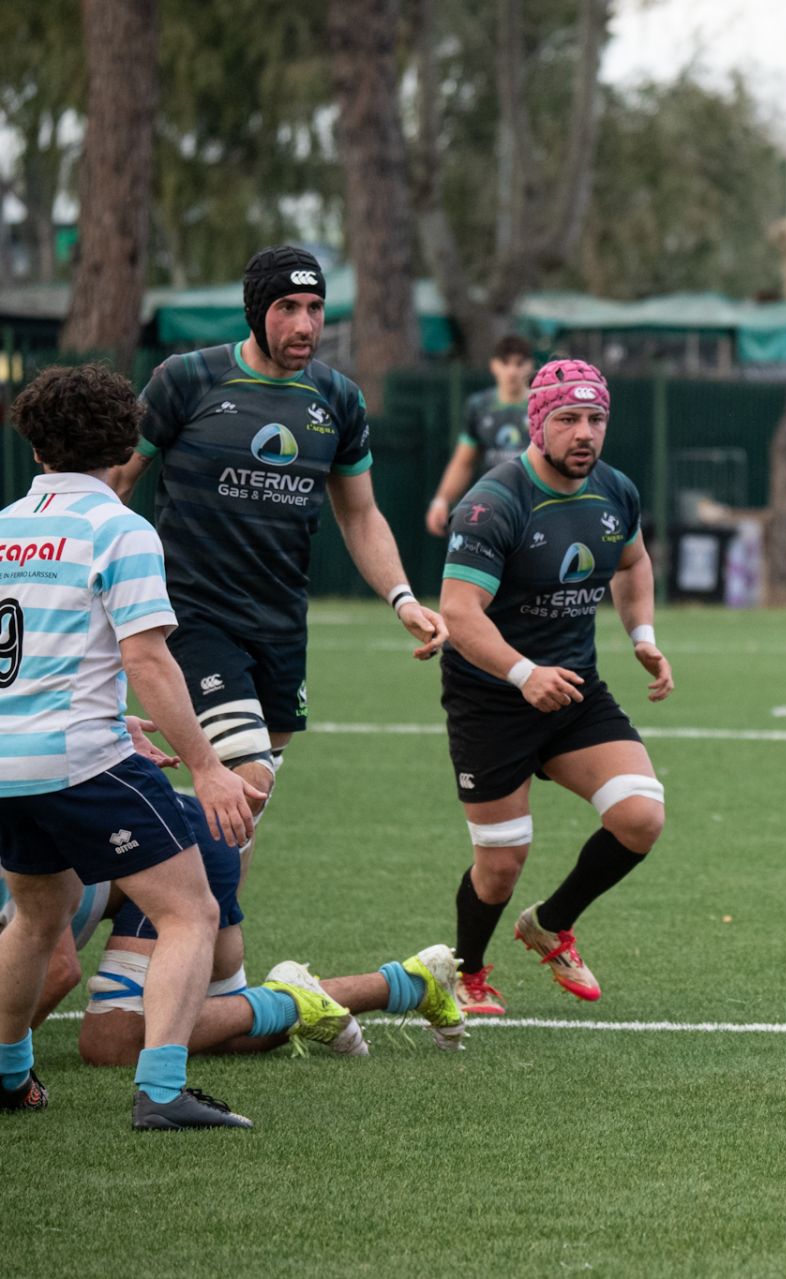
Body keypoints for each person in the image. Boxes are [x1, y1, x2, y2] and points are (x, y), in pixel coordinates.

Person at [108, 245, 448, 865]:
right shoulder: (188, 379)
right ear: (256, 311)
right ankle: (146, 892)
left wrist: (403, 599)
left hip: (282, 623)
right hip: (195, 615)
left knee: (246, 808)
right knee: (247, 779)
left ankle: (205, 922)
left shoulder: (338, 398)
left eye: (315, 308)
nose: (305, 324)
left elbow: (360, 514)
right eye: (287, 307)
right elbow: (118, 482)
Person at [0, 362, 261, 1129]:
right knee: (191, 911)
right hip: (81, 762)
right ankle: (163, 1090)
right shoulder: (120, 528)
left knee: (35, 919)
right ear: (124, 445)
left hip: (10, 761)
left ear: (36, 445)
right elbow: (147, 657)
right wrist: (207, 766)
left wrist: (112, 714)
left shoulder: (6, 524)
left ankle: (9, 1076)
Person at [437, 358, 673, 1016]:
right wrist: (523, 672)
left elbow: (633, 562)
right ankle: (467, 972)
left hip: (572, 688)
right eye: (568, 418)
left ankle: (550, 923)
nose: (584, 433)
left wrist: (643, 635)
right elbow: (459, 612)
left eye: (596, 418)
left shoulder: (615, 490)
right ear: (537, 422)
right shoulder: (495, 501)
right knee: (500, 865)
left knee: (640, 815)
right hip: (492, 697)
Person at [0, 776, 465, 1063]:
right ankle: (409, 983)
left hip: (179, 851)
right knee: (227, 1030)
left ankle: (294, 1001)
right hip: (177, 841)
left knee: (113, 1044)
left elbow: (58, 967)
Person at [425, 334, 536, 537]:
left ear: (530, 366)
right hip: (493, 507)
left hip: (535, 508)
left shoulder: (542, 405)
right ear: (494, 365)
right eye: (505, 363)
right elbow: (463, 462)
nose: (512, 371)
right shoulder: (479, 406)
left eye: (519, 363)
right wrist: (441, 500)